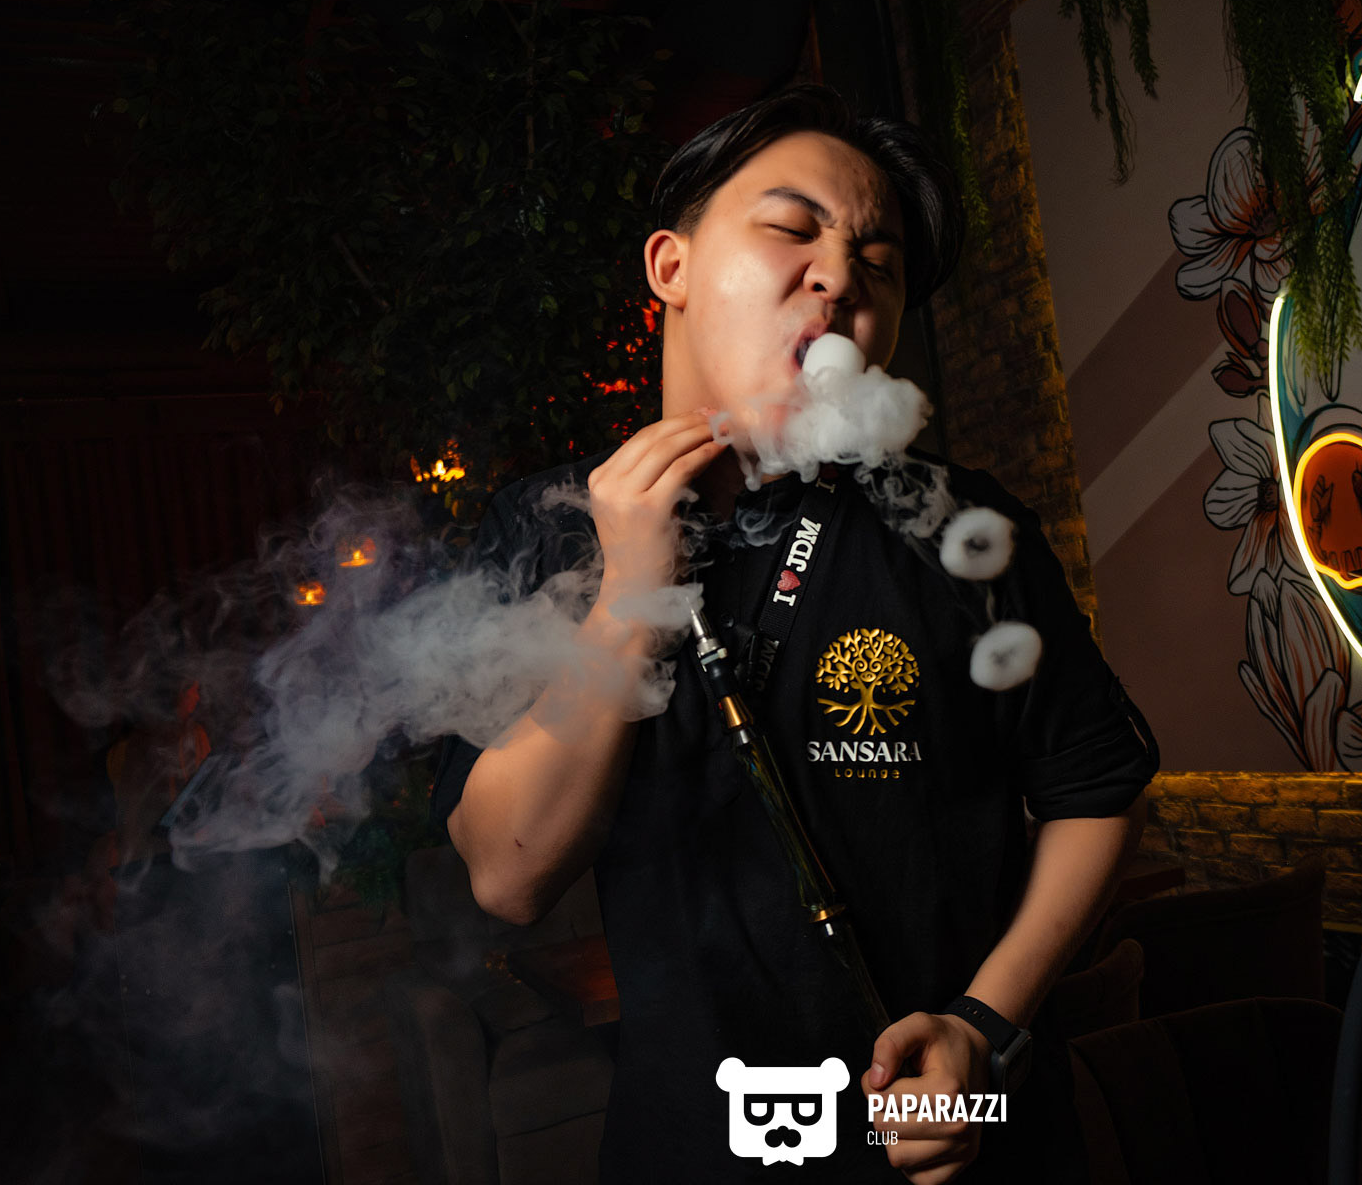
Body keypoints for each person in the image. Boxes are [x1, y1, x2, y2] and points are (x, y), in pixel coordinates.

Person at [433, 84, 1158, 1184]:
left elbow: (1097, 791)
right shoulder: (550, 528)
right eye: (791, 227)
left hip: (966, 1134)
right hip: (701, 1143)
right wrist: (630, 594)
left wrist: (983, 1025)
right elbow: (507, 876)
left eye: (880, 262)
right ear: (671, 267)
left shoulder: (962, 527)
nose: (839, 276)